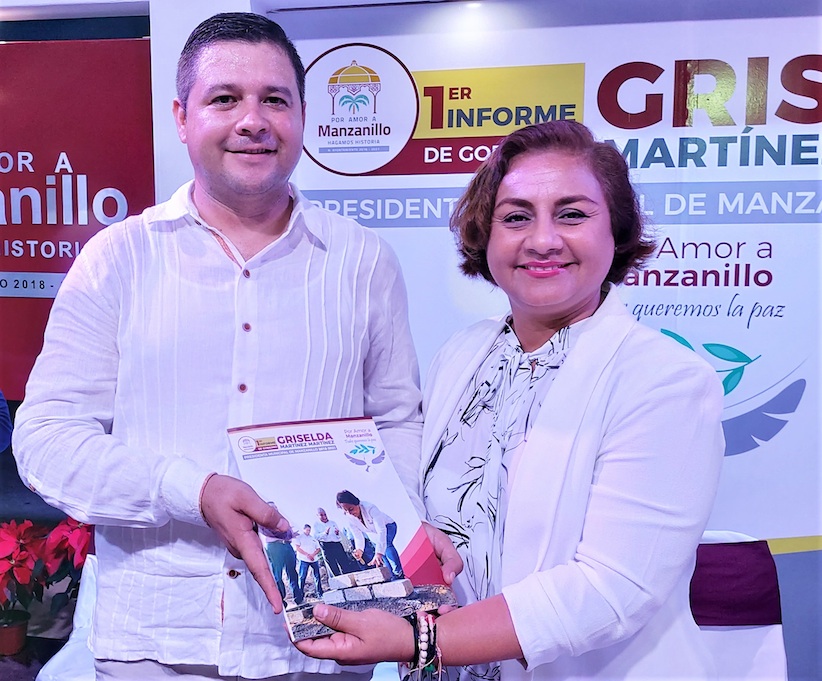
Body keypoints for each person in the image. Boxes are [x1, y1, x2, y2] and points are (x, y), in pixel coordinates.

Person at [11, 12, 457, 681]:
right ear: (182, 117)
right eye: (225, 98)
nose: (253, 120)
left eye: (275, 99)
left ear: (302, 117)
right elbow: (46, 439)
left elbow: (396, 421)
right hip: (157, 637)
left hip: (325, 635)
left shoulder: (362, 261)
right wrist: (192, 490)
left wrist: (404, 534)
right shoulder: (118, 259)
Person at [295, 120, 726, 680]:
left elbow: (612, 589)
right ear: (487, 235)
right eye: (517, 217)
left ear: (616, 232)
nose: (542, 240)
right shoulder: (463, 353)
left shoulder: (666, 381)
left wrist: (418, 641)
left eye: (572, 215)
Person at [336, 490, 404, 580]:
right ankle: (392, 576)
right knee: (382, 555)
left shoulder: (370, 508)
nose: (350, 512)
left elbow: (381, 530)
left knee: (386, 545)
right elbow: (358, 537)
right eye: (346, 510)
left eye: (351, 509)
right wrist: (359, 550)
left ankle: (398, 572)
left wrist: (378, 553)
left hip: (388, 526)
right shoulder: (349, 517)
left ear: (356, 503)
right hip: (374, 533)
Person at [261, 516, 304, 606]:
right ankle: (281, 600)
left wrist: (289, 533)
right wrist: (288, 534)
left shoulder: (282, 519)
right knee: (277, 574)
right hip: (274, 546)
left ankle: (298, 598)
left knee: (292, 572)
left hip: (287, 545)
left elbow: (289, 532)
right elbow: (271, 532)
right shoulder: (264, 519)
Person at [313, 507, 359, 576]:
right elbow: (316, 536)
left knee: (344, 561)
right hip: (326, 546)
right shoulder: (316, 525)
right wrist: (325, 533)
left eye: (325, 514)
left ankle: (349, 577)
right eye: (321, 515)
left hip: (336, 544)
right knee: (332, 564)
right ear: (317, 516)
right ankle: (338, 579)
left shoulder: (332, 523)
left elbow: (339, 536)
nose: (324, 517)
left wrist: (337, 534)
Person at [293, 524, 324, 598]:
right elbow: (297, 548)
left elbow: (318, 549)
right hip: (304, 559)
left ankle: (320, 593)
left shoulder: (312, 538)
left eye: (309, 530)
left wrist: (312, 555)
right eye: (307, 530)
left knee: (317, 576)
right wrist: (307, 555)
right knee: (302, 576)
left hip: (314, 559)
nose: (308, 531)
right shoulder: (299, 537)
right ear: (304, 529)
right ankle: (300, 595)